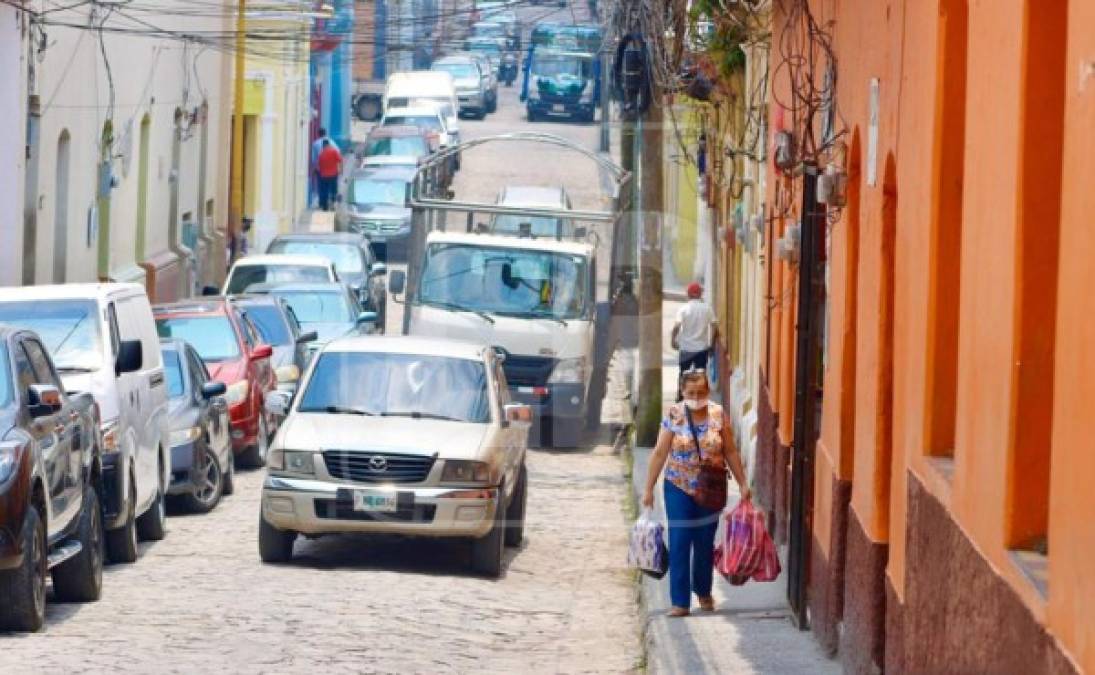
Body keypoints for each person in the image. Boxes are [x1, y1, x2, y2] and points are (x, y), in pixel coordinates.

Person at [641, 369, 751, 617]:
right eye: (690, 393)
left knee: (704, 542)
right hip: (677, 486)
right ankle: (680, 602)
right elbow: (660, 452)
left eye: (700, 392)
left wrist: (743, 483)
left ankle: (702, 590)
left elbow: (731, 452)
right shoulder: (675, 414)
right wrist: (648, 488)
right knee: (680, 541)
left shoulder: (717, 415)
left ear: (708, 392)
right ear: (682, 392)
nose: (695, 397)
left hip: (710, 489)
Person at [672, 281, 718, 375]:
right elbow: (714, 326)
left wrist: (673, 341)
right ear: (700, 294)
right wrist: (712, 344)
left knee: (684, 375)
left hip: (686, 349)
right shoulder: (707, 308)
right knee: (700, 376)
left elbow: (677, 326)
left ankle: (682, 389)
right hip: (701, 349)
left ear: (688, 294)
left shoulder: (683, 309)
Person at [310, 128, 339, 205]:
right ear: (325, 134)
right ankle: (332, 201)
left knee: (322, 186)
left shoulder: (315, 144)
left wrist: (313, 170)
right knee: (332, 186)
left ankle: (322, 202)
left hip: (321, 169)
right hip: (333, 170)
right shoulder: (332, 142)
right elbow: (338, 154)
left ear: (318, 134)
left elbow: (314, 159)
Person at [316, 139, 343, 211]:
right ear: (328, 144)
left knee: (324, 191)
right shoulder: (334, 151)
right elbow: (340, 160)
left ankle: (325, 206)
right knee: (334, 190)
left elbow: (319, 166)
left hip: (324, 175)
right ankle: (333, 204)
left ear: (323, 145)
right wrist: (341, 170)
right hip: (333, 174)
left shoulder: (321, 154)